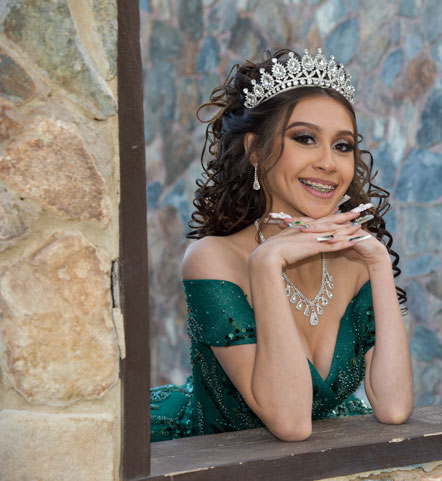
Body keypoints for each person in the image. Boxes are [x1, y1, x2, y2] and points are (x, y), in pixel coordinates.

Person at [150, 48, 413, 442]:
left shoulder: (355, 260)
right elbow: (291, 423)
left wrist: (377, 264)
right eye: (305, 139)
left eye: (343, 146)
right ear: (255, 149)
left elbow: (393, 408)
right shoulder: (213, 259)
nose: (329, 162)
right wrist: (267, 263)